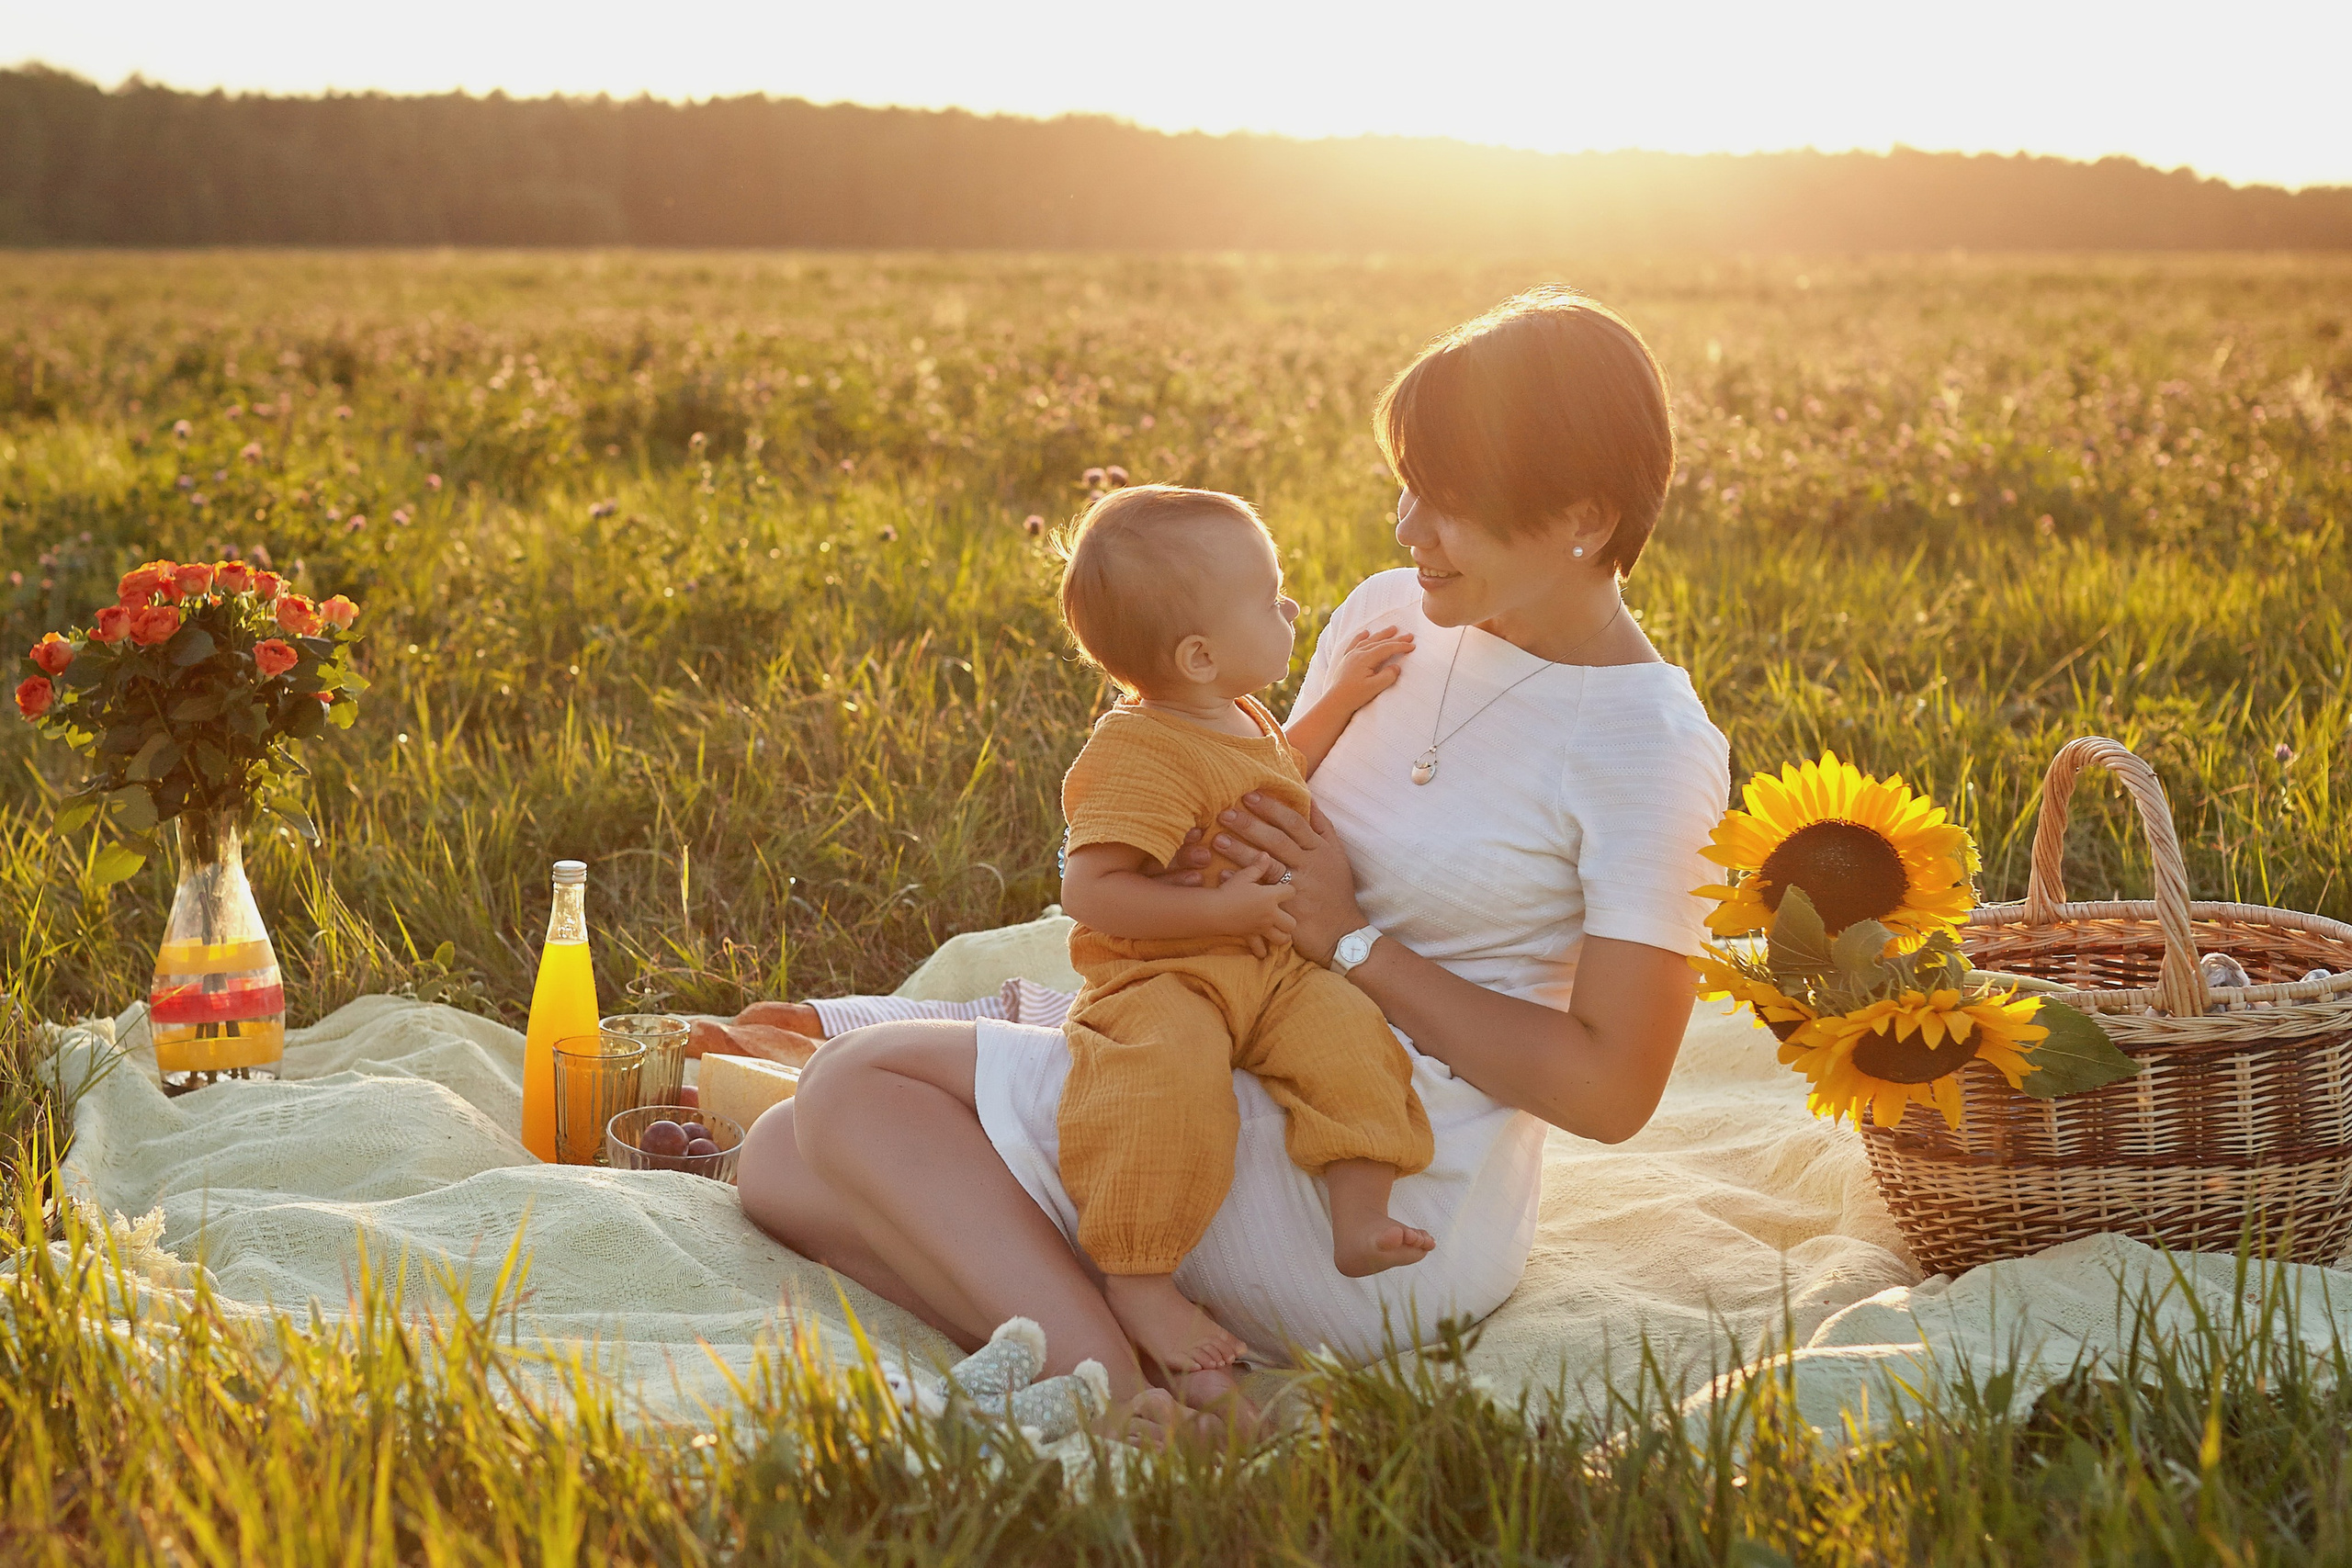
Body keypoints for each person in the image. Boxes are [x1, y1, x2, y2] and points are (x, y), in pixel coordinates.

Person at [725, 286, 1733, 1435]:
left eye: (1448, 504)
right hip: (1228, 1063)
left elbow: (1609, 1093)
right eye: (1407, 486)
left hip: (1381, 1194)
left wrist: (1353, 941)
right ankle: (1182, 1381)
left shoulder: (1647, 749)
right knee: (778, 1164)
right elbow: (1260, 792)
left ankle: (1119, 1403)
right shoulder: (1391, 614)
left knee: (859, 1086)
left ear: (1585, 518)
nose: (1408, 530)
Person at [1048, 481, 1434, 1376]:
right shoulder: (1136, 752)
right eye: (1269, 601)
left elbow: (1275, 769)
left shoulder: (1236, 712)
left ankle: (1358, 1208)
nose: (1290, 607)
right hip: (1166, 976)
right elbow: (1090, 890)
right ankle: (1139, 1277)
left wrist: (1337, 699)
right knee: (1158, 1076)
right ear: (1197, 655)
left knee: (1350, 1034)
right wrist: (1218, 911)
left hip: (1269, 962)